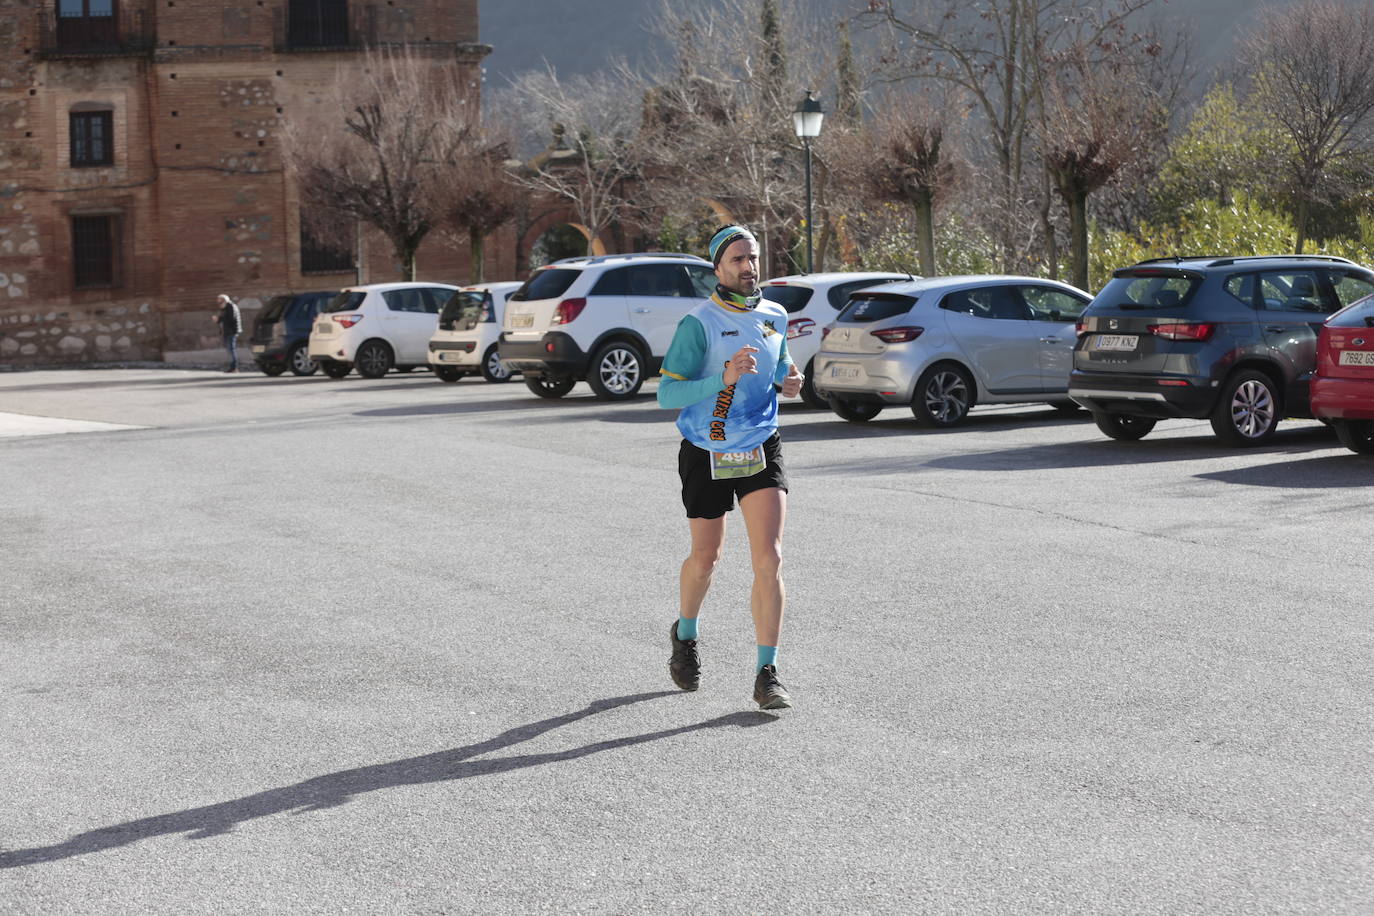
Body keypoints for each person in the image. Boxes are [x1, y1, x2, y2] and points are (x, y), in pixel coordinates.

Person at [657, 225, 804, 710]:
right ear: (718, 268)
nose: (749, 267)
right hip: (707, 448)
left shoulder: (774, 314)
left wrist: (789, 379)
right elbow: (666, 394)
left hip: (761, 444)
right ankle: (686, 634)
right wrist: (723, 376)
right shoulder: (698, 324)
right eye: (738, 259)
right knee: (706, 559)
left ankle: (768, 673)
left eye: (754, 258)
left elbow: (780, 361)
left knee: (771, 557)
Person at [213, 293, 242, 373]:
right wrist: (218, 320)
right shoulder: (226, 307)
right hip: (228, 331)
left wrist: (219, 319)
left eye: (220, 301)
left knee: (231, 349)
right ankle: (233, 367)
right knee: (229, 350)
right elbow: (224, 319)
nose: (219, 303)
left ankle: (234, 368)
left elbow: (230, 319)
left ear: (224, 300)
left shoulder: (230, 307)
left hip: (231, 331)